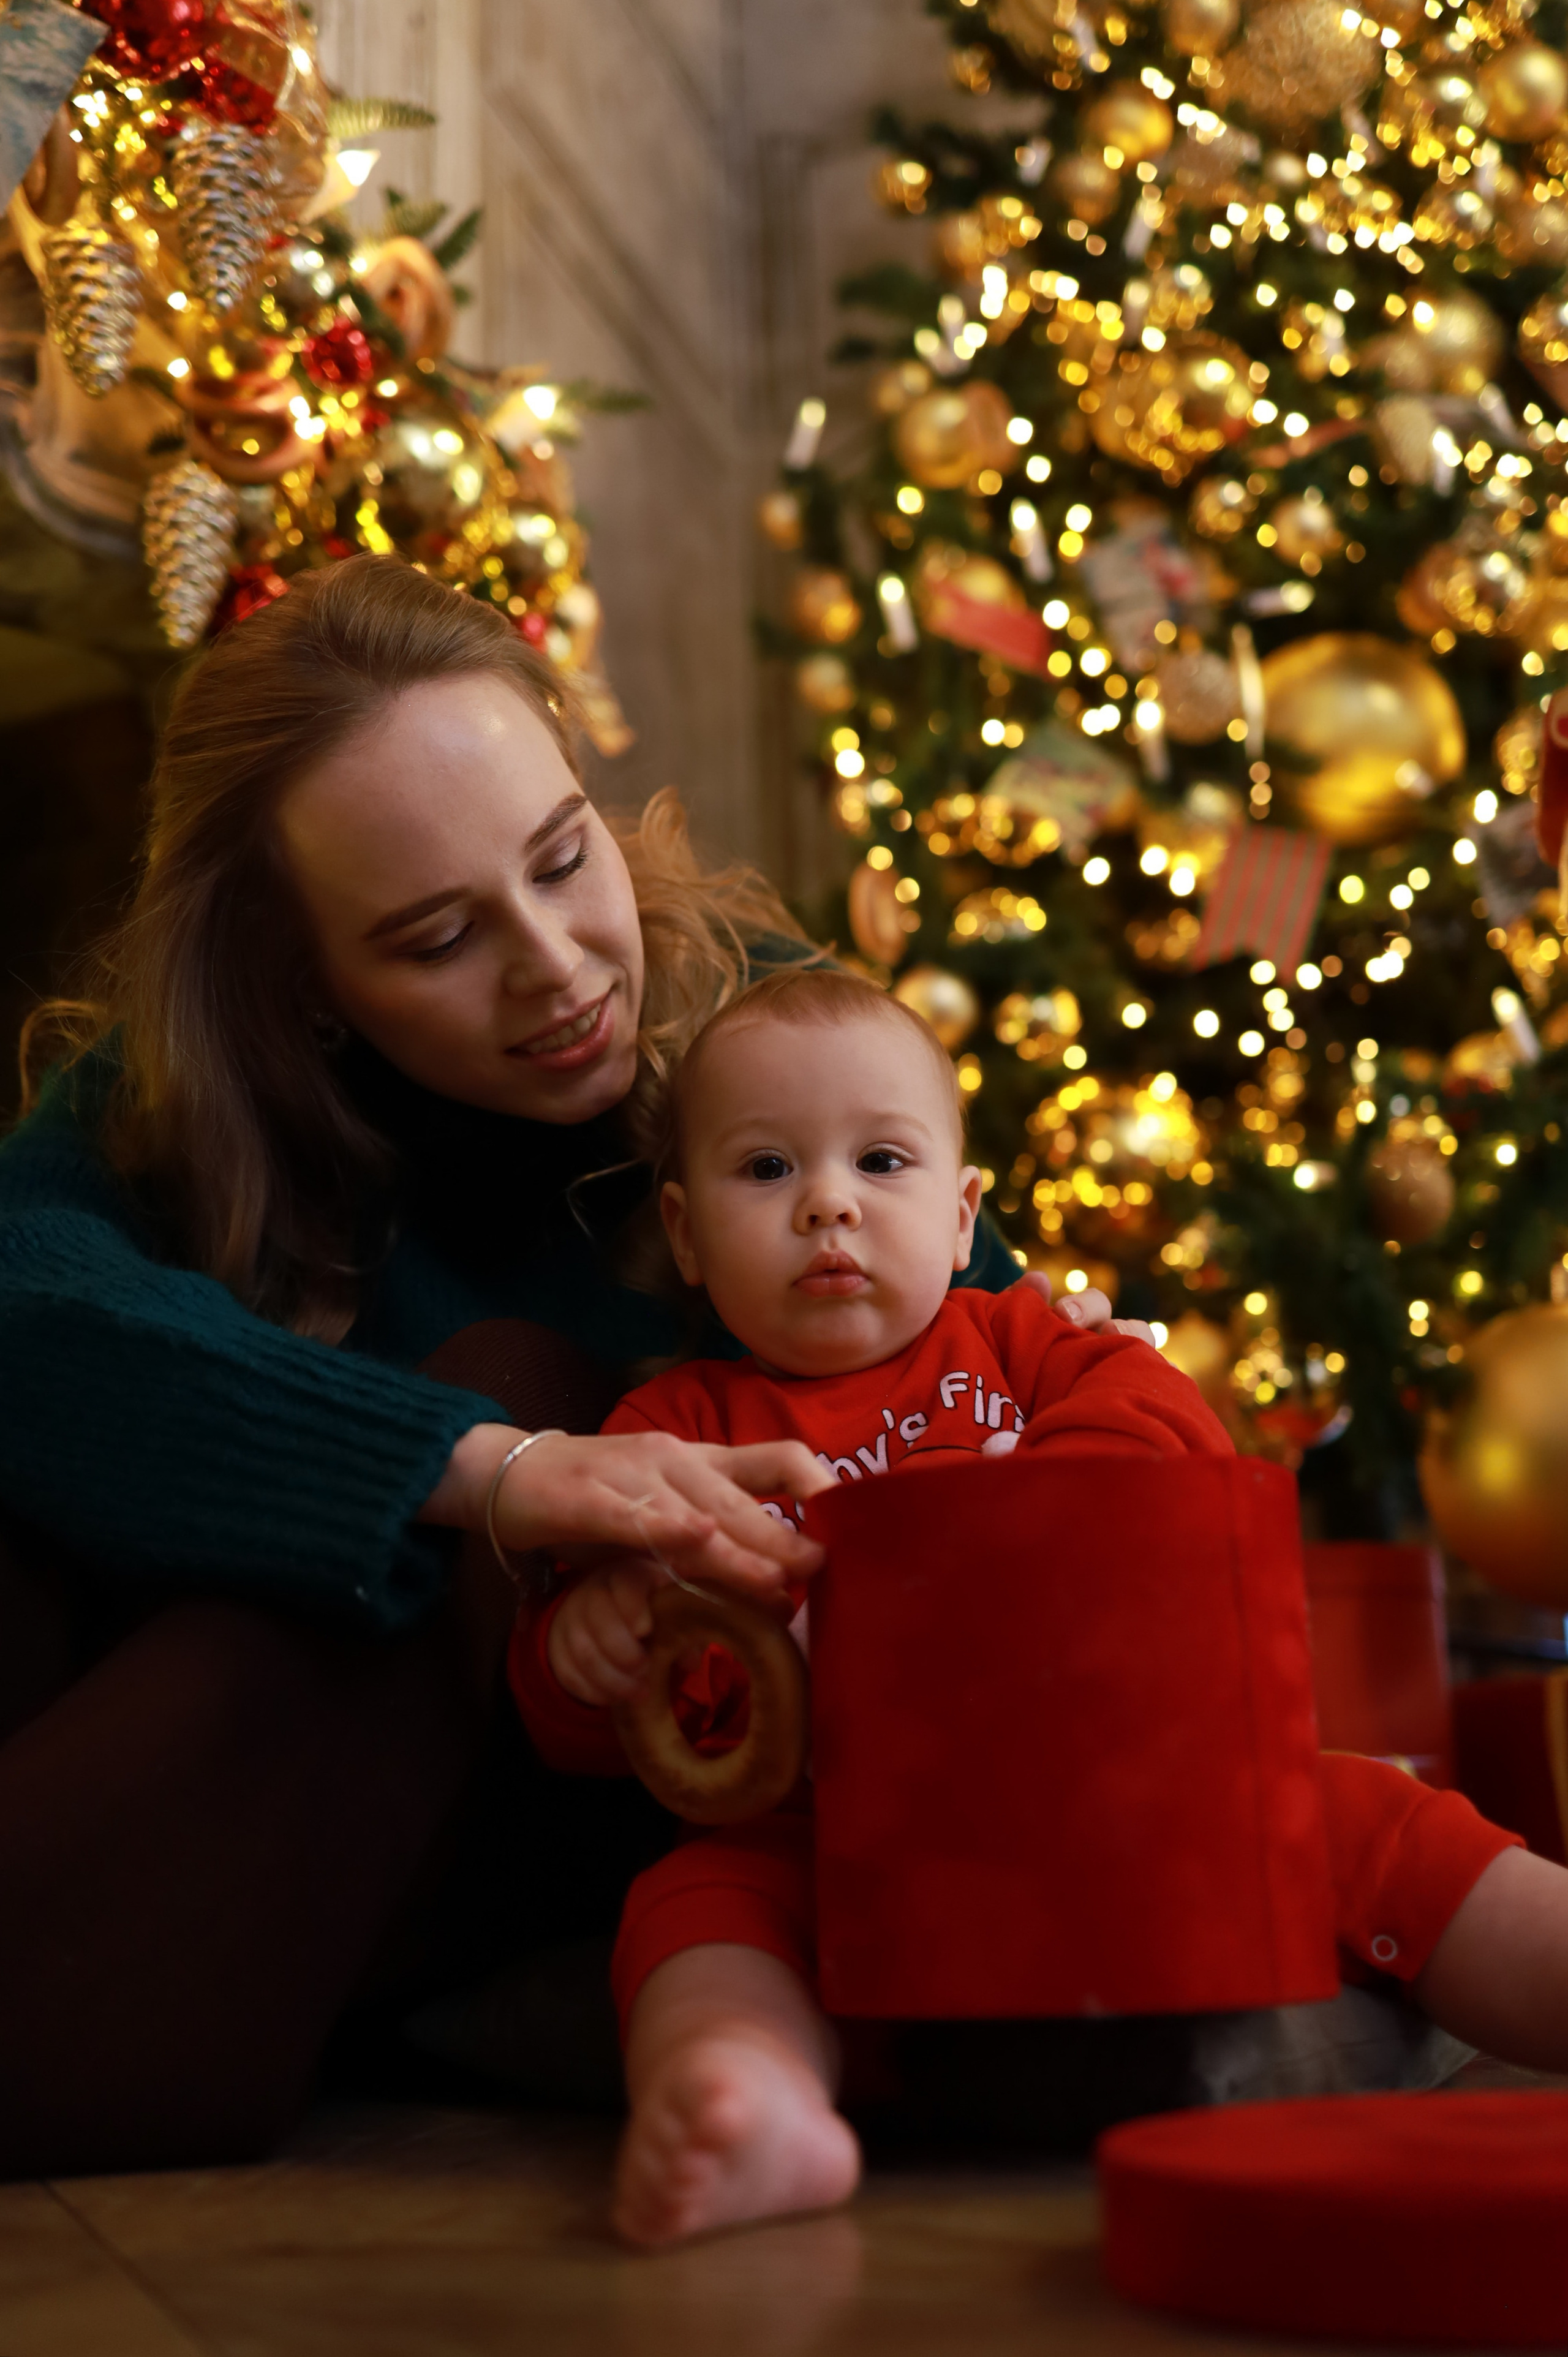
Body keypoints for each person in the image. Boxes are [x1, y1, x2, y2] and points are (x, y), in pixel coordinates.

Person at [0, 553, 1124, 2180]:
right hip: (192, 1781)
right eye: (440, 935)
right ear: (295, 978)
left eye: (561, 855)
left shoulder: (767, 1076)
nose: (558, 969)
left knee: (519, 1368)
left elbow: (1001, 1382)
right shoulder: (179, 1099)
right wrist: (495, 1474)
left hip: (602, 1780)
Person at [510, 967, 1568, 2249]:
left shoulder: (1021, 1346)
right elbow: (600, 1703)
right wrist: (591, 1650)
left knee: (1361, 1812)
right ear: (683, 1234)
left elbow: (1163, 1424)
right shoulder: (673, 1429)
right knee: (696, 1913)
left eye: (880, 1161)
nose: (828, 1203)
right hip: (823, 1835)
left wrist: (990, 1519)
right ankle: (748, 2099)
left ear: (962, 1218)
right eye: (767, 1170)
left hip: (1115, 1801)